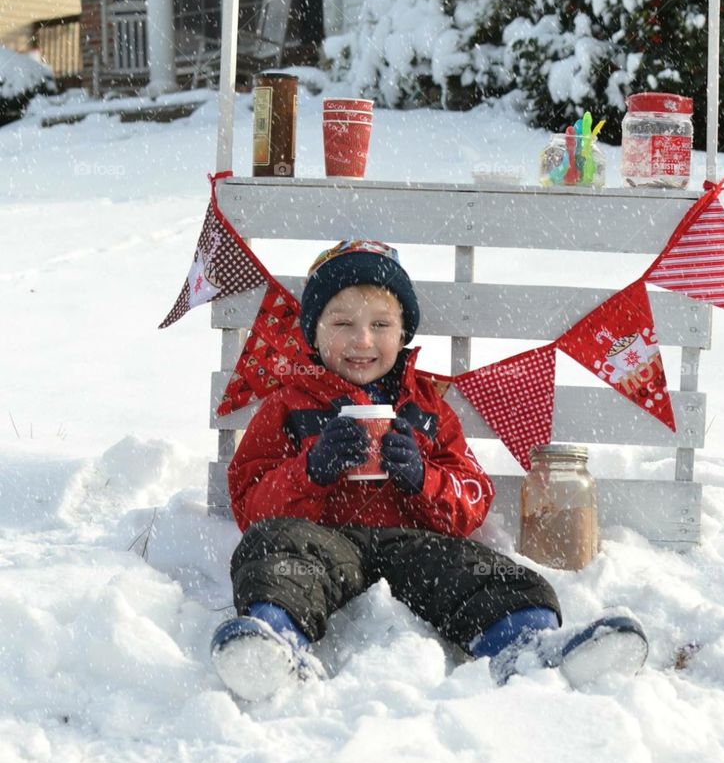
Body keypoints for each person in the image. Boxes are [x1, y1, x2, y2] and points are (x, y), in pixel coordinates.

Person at [211, 240, 648, 701]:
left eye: (381, 325)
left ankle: (529, 644)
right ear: (313, 334)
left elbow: (472, 497)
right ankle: (274, 644)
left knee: (488, 570)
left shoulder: (427, 407)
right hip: (323, 542)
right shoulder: (288, 404)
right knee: (271, 550)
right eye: (342, 324)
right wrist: (311, 471)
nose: (362, 340)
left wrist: (423, 479)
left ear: (403, 334)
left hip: (415, 547)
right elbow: (252, 505)